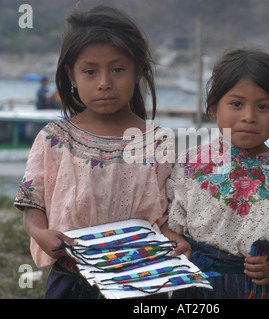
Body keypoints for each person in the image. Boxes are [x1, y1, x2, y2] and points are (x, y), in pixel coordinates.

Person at [14, 5, 173, 299]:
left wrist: (177, 241)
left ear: (137, 71)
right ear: (71, 76)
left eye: (117, 69)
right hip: (72, 281)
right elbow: (32, 203)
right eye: (90, 71)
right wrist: (40, 233)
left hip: (142, 281)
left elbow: (168, 216)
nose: (104, 83)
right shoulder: (55, 139)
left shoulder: (157, 143)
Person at [164, 49, 269, 299]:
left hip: (264, 287)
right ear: (213, 108)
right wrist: (175, 241)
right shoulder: (190, 164)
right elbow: (164, 217)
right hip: (196, 285)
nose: (249, 117)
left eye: (263, 106)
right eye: (236, 104)